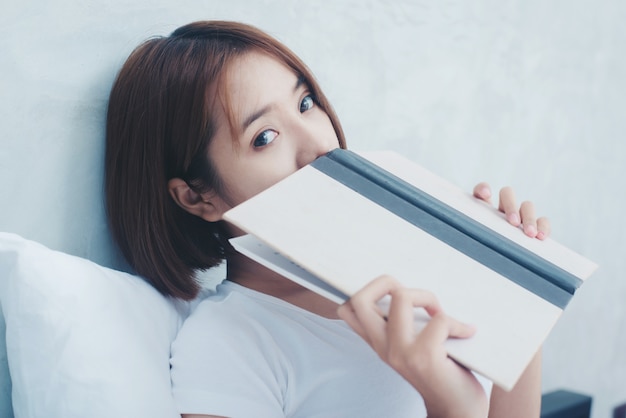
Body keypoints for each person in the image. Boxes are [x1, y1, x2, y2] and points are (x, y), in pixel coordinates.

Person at [105, 20, 549, 417]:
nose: (318, 145)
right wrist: (453, 410)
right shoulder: (229, 347)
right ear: (197, 197)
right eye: (265, 137)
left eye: (305, 103)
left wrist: (516, 291)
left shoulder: (415, 267)